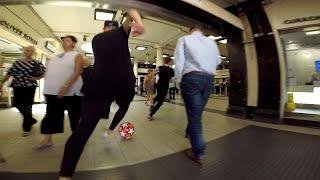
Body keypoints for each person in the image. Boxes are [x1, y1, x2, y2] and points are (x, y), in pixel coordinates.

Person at [59, 9, 144, 179]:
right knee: (120, 107)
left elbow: (130, 13)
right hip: (115, 86)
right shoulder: (118, 34)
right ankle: (111, 127)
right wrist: (138, 23)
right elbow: (131, 13)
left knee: (82, 132)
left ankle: (65, 174)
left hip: (103, 87)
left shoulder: (99, 39)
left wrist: (137, 22)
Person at [174, 25, 221, 165]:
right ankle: (189, 132)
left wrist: (179, 80)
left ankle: (198, 151)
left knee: (194, 116)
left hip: (192, 78)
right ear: (202, 32)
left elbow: (179, 61)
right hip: (209, 79)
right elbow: (218, 61)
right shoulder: (211, 42)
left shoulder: (184, 39)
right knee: (197, 112)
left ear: (190, 31)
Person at [34, 35, 83, 149]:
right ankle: (47, 140)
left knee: (74, 117)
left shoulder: (77, 55)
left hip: (71, 92)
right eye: (63, 40)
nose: (64, 42)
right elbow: (51, 71)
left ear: (73, 43)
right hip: (52, 92)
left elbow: (76, 72)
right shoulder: (56, 56)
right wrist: (40, 77)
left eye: (67, 40)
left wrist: (66, 86)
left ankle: (77, 139)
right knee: (51, 116)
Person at [0, 46, 46, 137]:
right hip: (17, 86)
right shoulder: (17, 62)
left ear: (33, 53)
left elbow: (45, 72)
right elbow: (9, 73)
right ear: (24, 51)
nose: (29, 52)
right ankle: (31, 120)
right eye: (27, 50)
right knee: (17, 104)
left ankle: (26, 128)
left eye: (31, 51)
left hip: (30, 87)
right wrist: (1, 83)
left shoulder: (36, 63)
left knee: (28, 106)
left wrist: (37, 78)